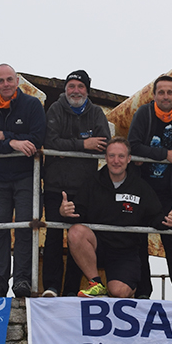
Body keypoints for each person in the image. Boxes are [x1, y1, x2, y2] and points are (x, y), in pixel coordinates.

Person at [59, 138, 172, 298]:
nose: (116, 161)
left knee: (119, 292)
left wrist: (168, 221)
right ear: (105, 158)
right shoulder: (92, 183)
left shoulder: (140, 187)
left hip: (125, 251)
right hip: (97, 246)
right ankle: (95, 283)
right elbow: (78, 212)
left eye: (121, 156)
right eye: (112, 156)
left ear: (129, 159)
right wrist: (65, 212)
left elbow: (155, 217)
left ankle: (127, 285)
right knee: (75, 232)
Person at [0, 64, 46, 298]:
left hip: (27, 177)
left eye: (10, 79)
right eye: (1, 81)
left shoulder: (32, 104)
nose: (6, 84)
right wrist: (15, 143)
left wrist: (4, 135)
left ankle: (22, 280)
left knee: (26, 228)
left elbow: (37, 138)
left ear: (17, 81)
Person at [42, 69, 111, 297]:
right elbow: (50, 141)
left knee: (77, 239)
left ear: (87, 90)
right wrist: (83, 145)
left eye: (80, 87)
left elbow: (103, 143)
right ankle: (51, 287)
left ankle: (72, 290)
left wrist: (66, 148)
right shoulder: (55, 110)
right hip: (55, 186)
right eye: (71, 86)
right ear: (65, 89)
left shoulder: (96, 113)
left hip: (84, 189)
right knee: (52, 236)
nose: (75, 90)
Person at [128, 75, 172, 301]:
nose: (165, 96)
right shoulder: (143, 114)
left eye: (169, 92)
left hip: (170, 190)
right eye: (161, 92)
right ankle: (144, 291)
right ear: (154, 95)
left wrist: (146, 154)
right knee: (138, 240)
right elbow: (133, 145)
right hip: (142, 188)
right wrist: (165, 154)